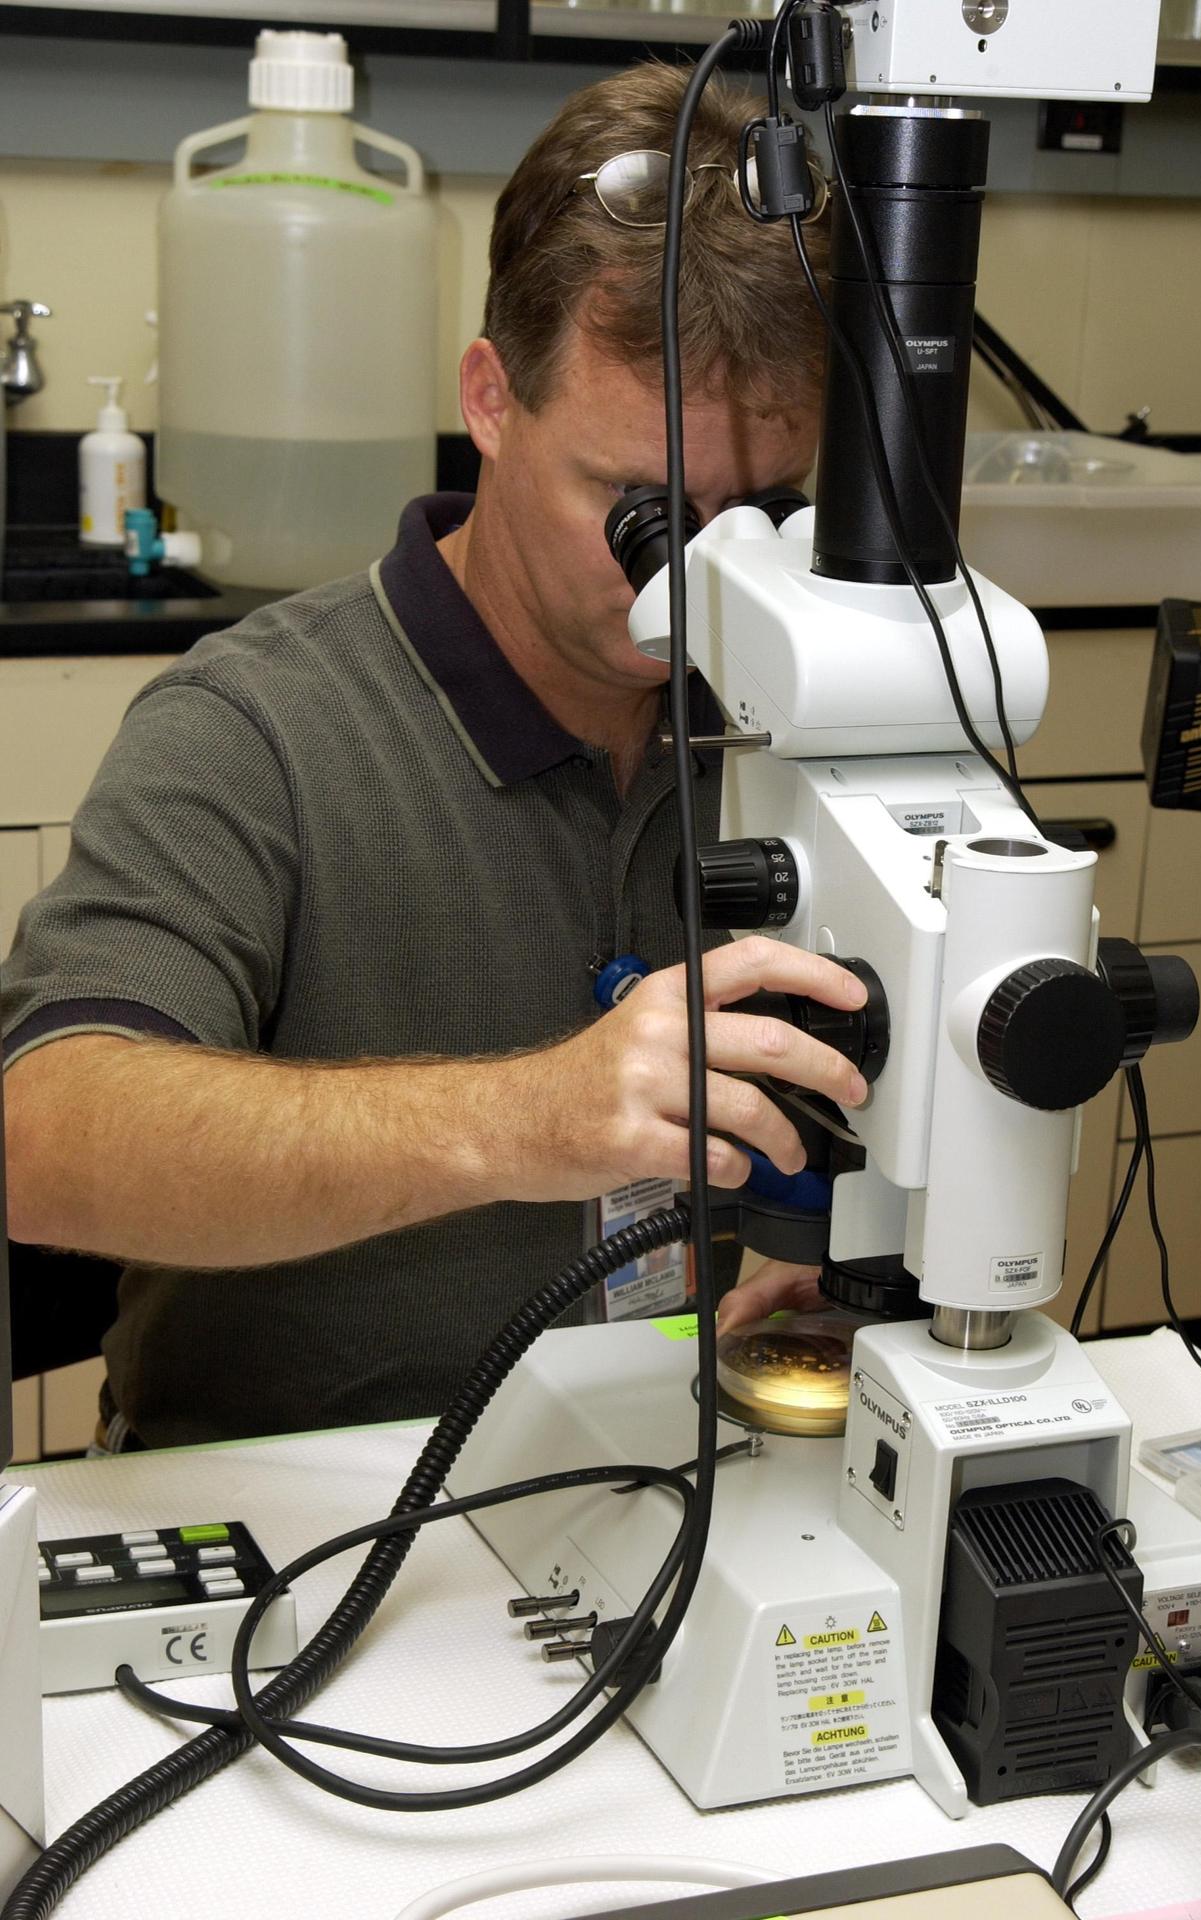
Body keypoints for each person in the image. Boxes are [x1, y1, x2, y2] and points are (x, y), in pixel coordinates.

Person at [2, 63, 862, 1448]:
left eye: (759, 509)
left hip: (652, 1463)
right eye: (643, 511)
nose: (700, 579)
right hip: (307, 1508)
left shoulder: (791, 708)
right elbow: (43, 1133)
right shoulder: (258, 728)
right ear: (492, 399)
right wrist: (527, 1118)